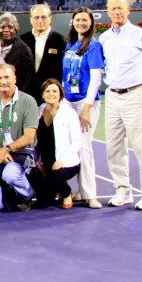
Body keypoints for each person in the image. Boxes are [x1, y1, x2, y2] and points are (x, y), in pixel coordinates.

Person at [99, 0, 142, 210]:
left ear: (128, 10)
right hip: (113, 96)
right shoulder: (104, 38)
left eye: (120, 8)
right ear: (108, 12)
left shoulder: (141, 35)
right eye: (113, 9)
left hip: (136, 94)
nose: (117, 12)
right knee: (114, 148)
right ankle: (123, 191)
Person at [0, 64, 39, 211]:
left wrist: (6, 150)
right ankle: (13, 192)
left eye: (7, 77)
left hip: (21, 154)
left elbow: (29, 137)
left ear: (15, 78)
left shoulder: (28, 101)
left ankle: (27, 194)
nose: (3, 81)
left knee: (10, 174)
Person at [62, 7, 104, 209]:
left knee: (84, 147)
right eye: (78, 20)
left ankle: (90, 194)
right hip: (68, 102)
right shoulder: (70, 45)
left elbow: (96, 80)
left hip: (85, 103)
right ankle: (78, 190)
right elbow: (65, 76)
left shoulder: (94, 46)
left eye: (85, 20)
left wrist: (86, 110)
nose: (81, 23)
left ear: (91, 23)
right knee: (71, 148)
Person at [32, 79, 82, 209]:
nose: (51, 94)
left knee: (57, 174)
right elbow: (34, 142)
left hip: (65, 164)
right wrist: (37, 161)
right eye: (47, 91)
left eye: (55, 91)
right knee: (44, 201)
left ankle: (66, 193)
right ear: (42, 94)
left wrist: (62, 162)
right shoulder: (39, 111)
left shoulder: (69, 113)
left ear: (60, 94)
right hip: (44, 164)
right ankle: (54, 189)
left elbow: (77, 142)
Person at [20, 5, 66, 103]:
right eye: (36, 17)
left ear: (50, 19)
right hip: (27, 93)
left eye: (44, 17)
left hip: (51, 94)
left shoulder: (60, 40)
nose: (40, 21)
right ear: (31, 20)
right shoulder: (23, 40)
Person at [0, 12, 34, 95]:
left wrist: (19, 97)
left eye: (10, 27)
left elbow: (28, 79)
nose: (6, 30)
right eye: (2, 27)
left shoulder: (24, 50)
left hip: (14, 95)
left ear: (15, 29)